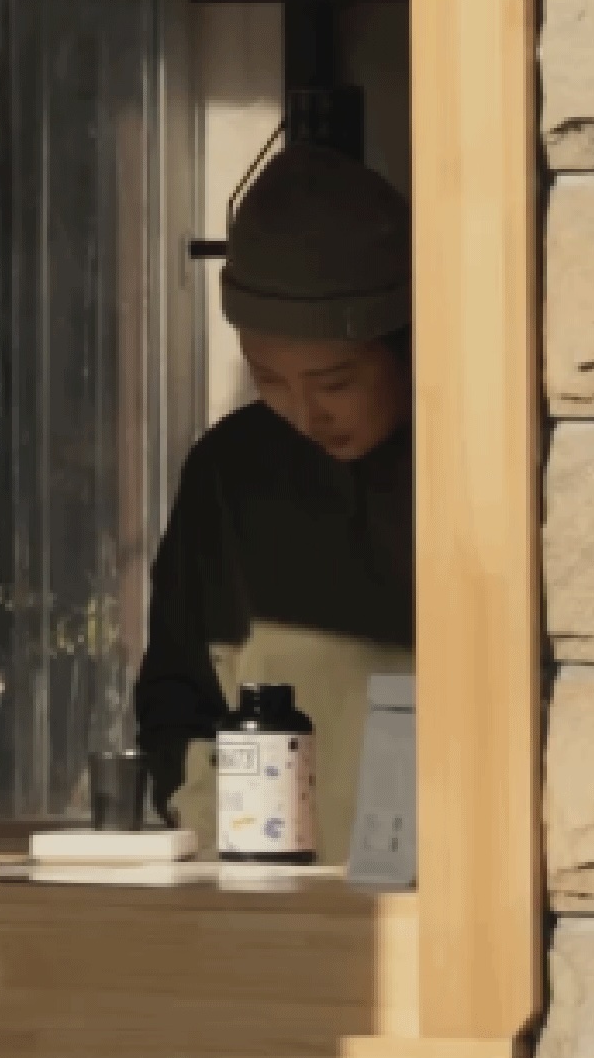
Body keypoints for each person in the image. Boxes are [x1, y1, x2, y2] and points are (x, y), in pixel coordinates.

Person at [134, 107, 417, 841]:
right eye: (269, 381)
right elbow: (177, 700)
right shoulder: (230, 471)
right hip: (260, 882)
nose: (304, 414)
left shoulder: (475, 465)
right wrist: (211, 828)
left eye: (334, 383)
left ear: (406, 347)